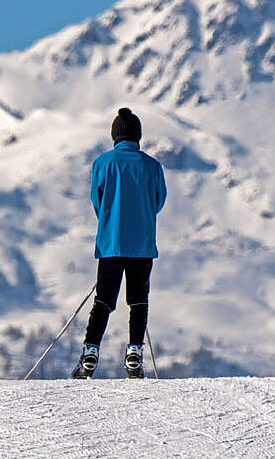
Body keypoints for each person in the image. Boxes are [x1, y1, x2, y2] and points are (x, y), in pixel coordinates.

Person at [74, 107, 167, 379]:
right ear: (137, 136)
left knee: (103, 299)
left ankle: (90, 351)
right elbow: (158, 201)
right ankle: (134, 354)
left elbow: (97, 200)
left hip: (111, 244)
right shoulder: (153, 166)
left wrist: (109, 221)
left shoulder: (102, 164)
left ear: (115, 136)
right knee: (138, 301)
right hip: (142, 245)